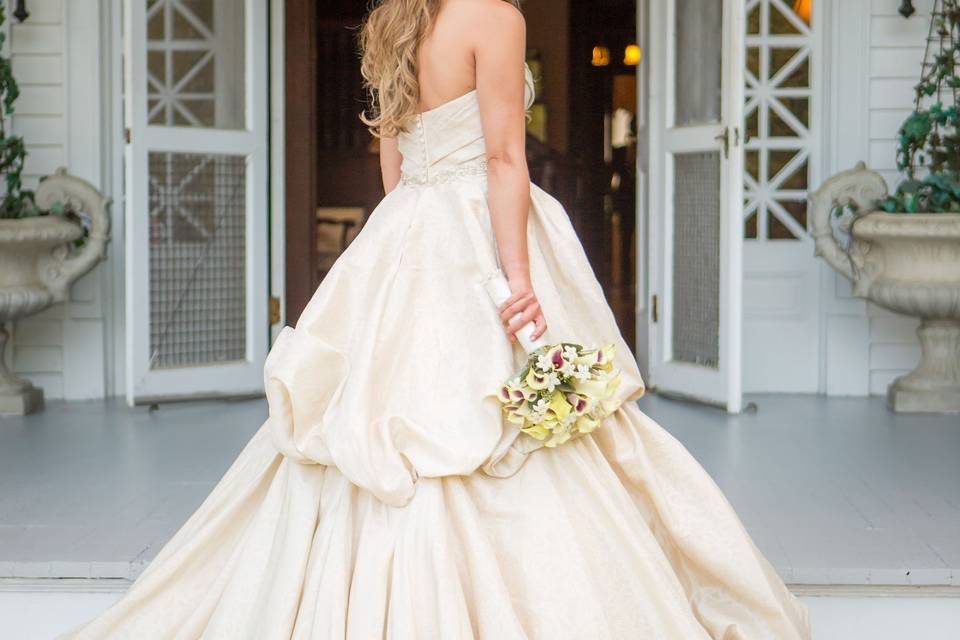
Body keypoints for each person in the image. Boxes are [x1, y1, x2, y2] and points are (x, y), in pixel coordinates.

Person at [62, 0, 810, 637]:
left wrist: (401, 244)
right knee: (505, 410)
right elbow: (503, 161)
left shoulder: (394, 21)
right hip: (483, 226)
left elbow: (393, 160)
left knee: (386, 409)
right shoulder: (496, 16)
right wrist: (517, 279)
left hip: (409, 220)